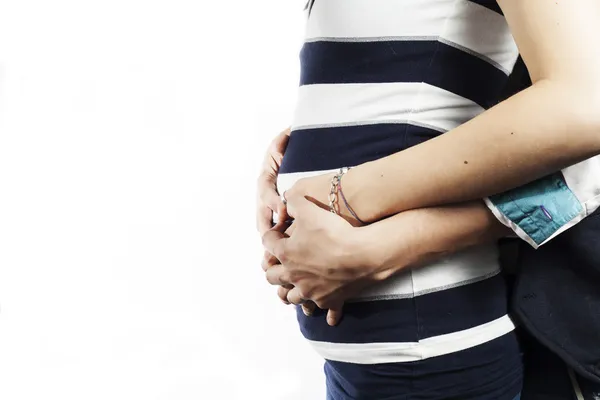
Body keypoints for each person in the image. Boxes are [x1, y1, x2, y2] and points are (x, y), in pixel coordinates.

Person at [257, 0, 600, 398]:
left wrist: (348, 202)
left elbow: (581, 115)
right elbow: (405, 83)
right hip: (365, 346)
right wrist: (290, 169)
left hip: (444, 328)